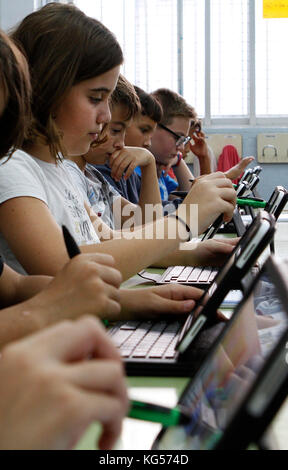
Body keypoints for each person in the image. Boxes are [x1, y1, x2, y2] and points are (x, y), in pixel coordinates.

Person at [0, 3, 237, 283]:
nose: (106, 115)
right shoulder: (12, 167)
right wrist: (183, 223)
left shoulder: (62, 169)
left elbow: (109, 240)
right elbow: (63, 268)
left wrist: (191, 252)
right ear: (48, 89)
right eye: (95, 98)